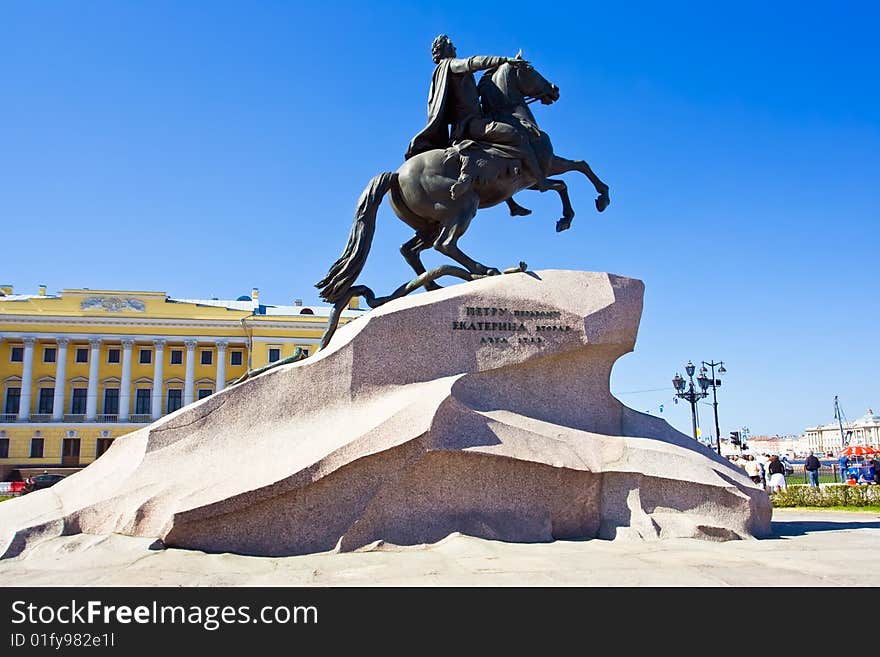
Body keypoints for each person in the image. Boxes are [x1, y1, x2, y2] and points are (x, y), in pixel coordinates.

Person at [406, 34, 551, 200]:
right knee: (516, 135)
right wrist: (504, 60)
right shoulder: (451, 64)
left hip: (465, 124)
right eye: (451, 45)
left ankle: (509, 198)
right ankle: (541, 180)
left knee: (497, 148)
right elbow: (474, 62)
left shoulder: (438, 74)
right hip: (472, 124)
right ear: (445, 49)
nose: (455, 48)